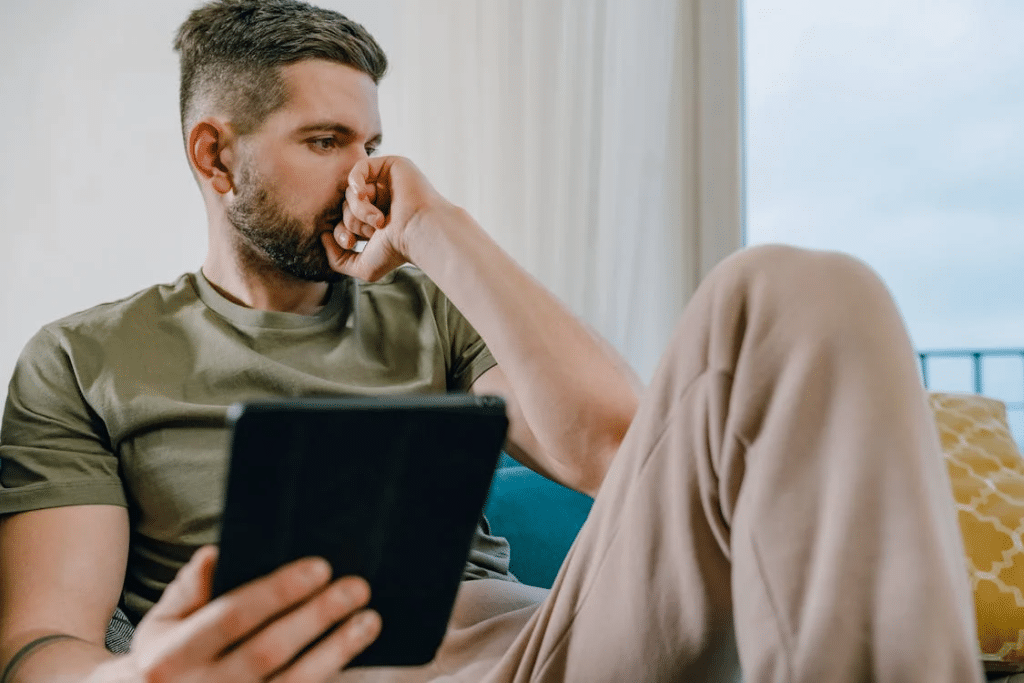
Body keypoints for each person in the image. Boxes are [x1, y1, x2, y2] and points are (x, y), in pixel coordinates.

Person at [0, 1, 984, 681]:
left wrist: (440, 228)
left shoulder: (434, 306)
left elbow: (619, 450)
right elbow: (40, 641)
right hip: (285, 667)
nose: (363, 174)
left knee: (800, 285)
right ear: (216, 155)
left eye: (372, 142)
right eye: (325, 141)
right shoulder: (82, 357)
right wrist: (142, 675)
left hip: (524, 649)